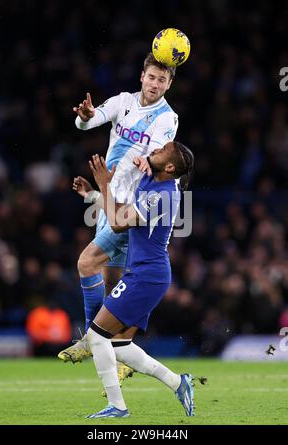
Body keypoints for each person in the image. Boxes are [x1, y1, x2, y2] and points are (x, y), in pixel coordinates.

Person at [58, 53, 179, 384]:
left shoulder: (167, 118)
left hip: (131, 205)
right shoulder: (123, 102)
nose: (155, 84)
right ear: (142, 76)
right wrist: (84, 117)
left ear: (170, 84)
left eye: (162, 80)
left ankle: (90, 339)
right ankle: (121, 348)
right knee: (116, 283)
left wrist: (142, 164)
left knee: (87, 263)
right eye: (152, 77)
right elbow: (89, 121)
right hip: (112, 198)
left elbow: (155, 155)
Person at [78, 140, 195, 418]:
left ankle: (118, 407)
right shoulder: (152, 181)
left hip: (147, 275)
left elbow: (118, 222)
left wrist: (104, 183)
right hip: (142, 273)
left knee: (96, 337)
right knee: (118, 345)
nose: (154, 150)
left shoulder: (164, 195)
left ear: (170, 166)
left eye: (162, 150)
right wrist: (94, 195)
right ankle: (179, 382)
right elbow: (120, 210)